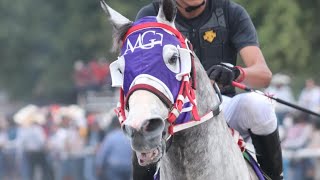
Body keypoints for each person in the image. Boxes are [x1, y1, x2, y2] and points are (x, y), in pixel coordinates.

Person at [134, 0, 283, 179]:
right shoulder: (149, 15)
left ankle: (274, 176)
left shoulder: (231, 12)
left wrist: (236, 73)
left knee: (259, 105)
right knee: (139, 119)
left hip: (221, 107)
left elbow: (263, 75)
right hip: (175, 109)